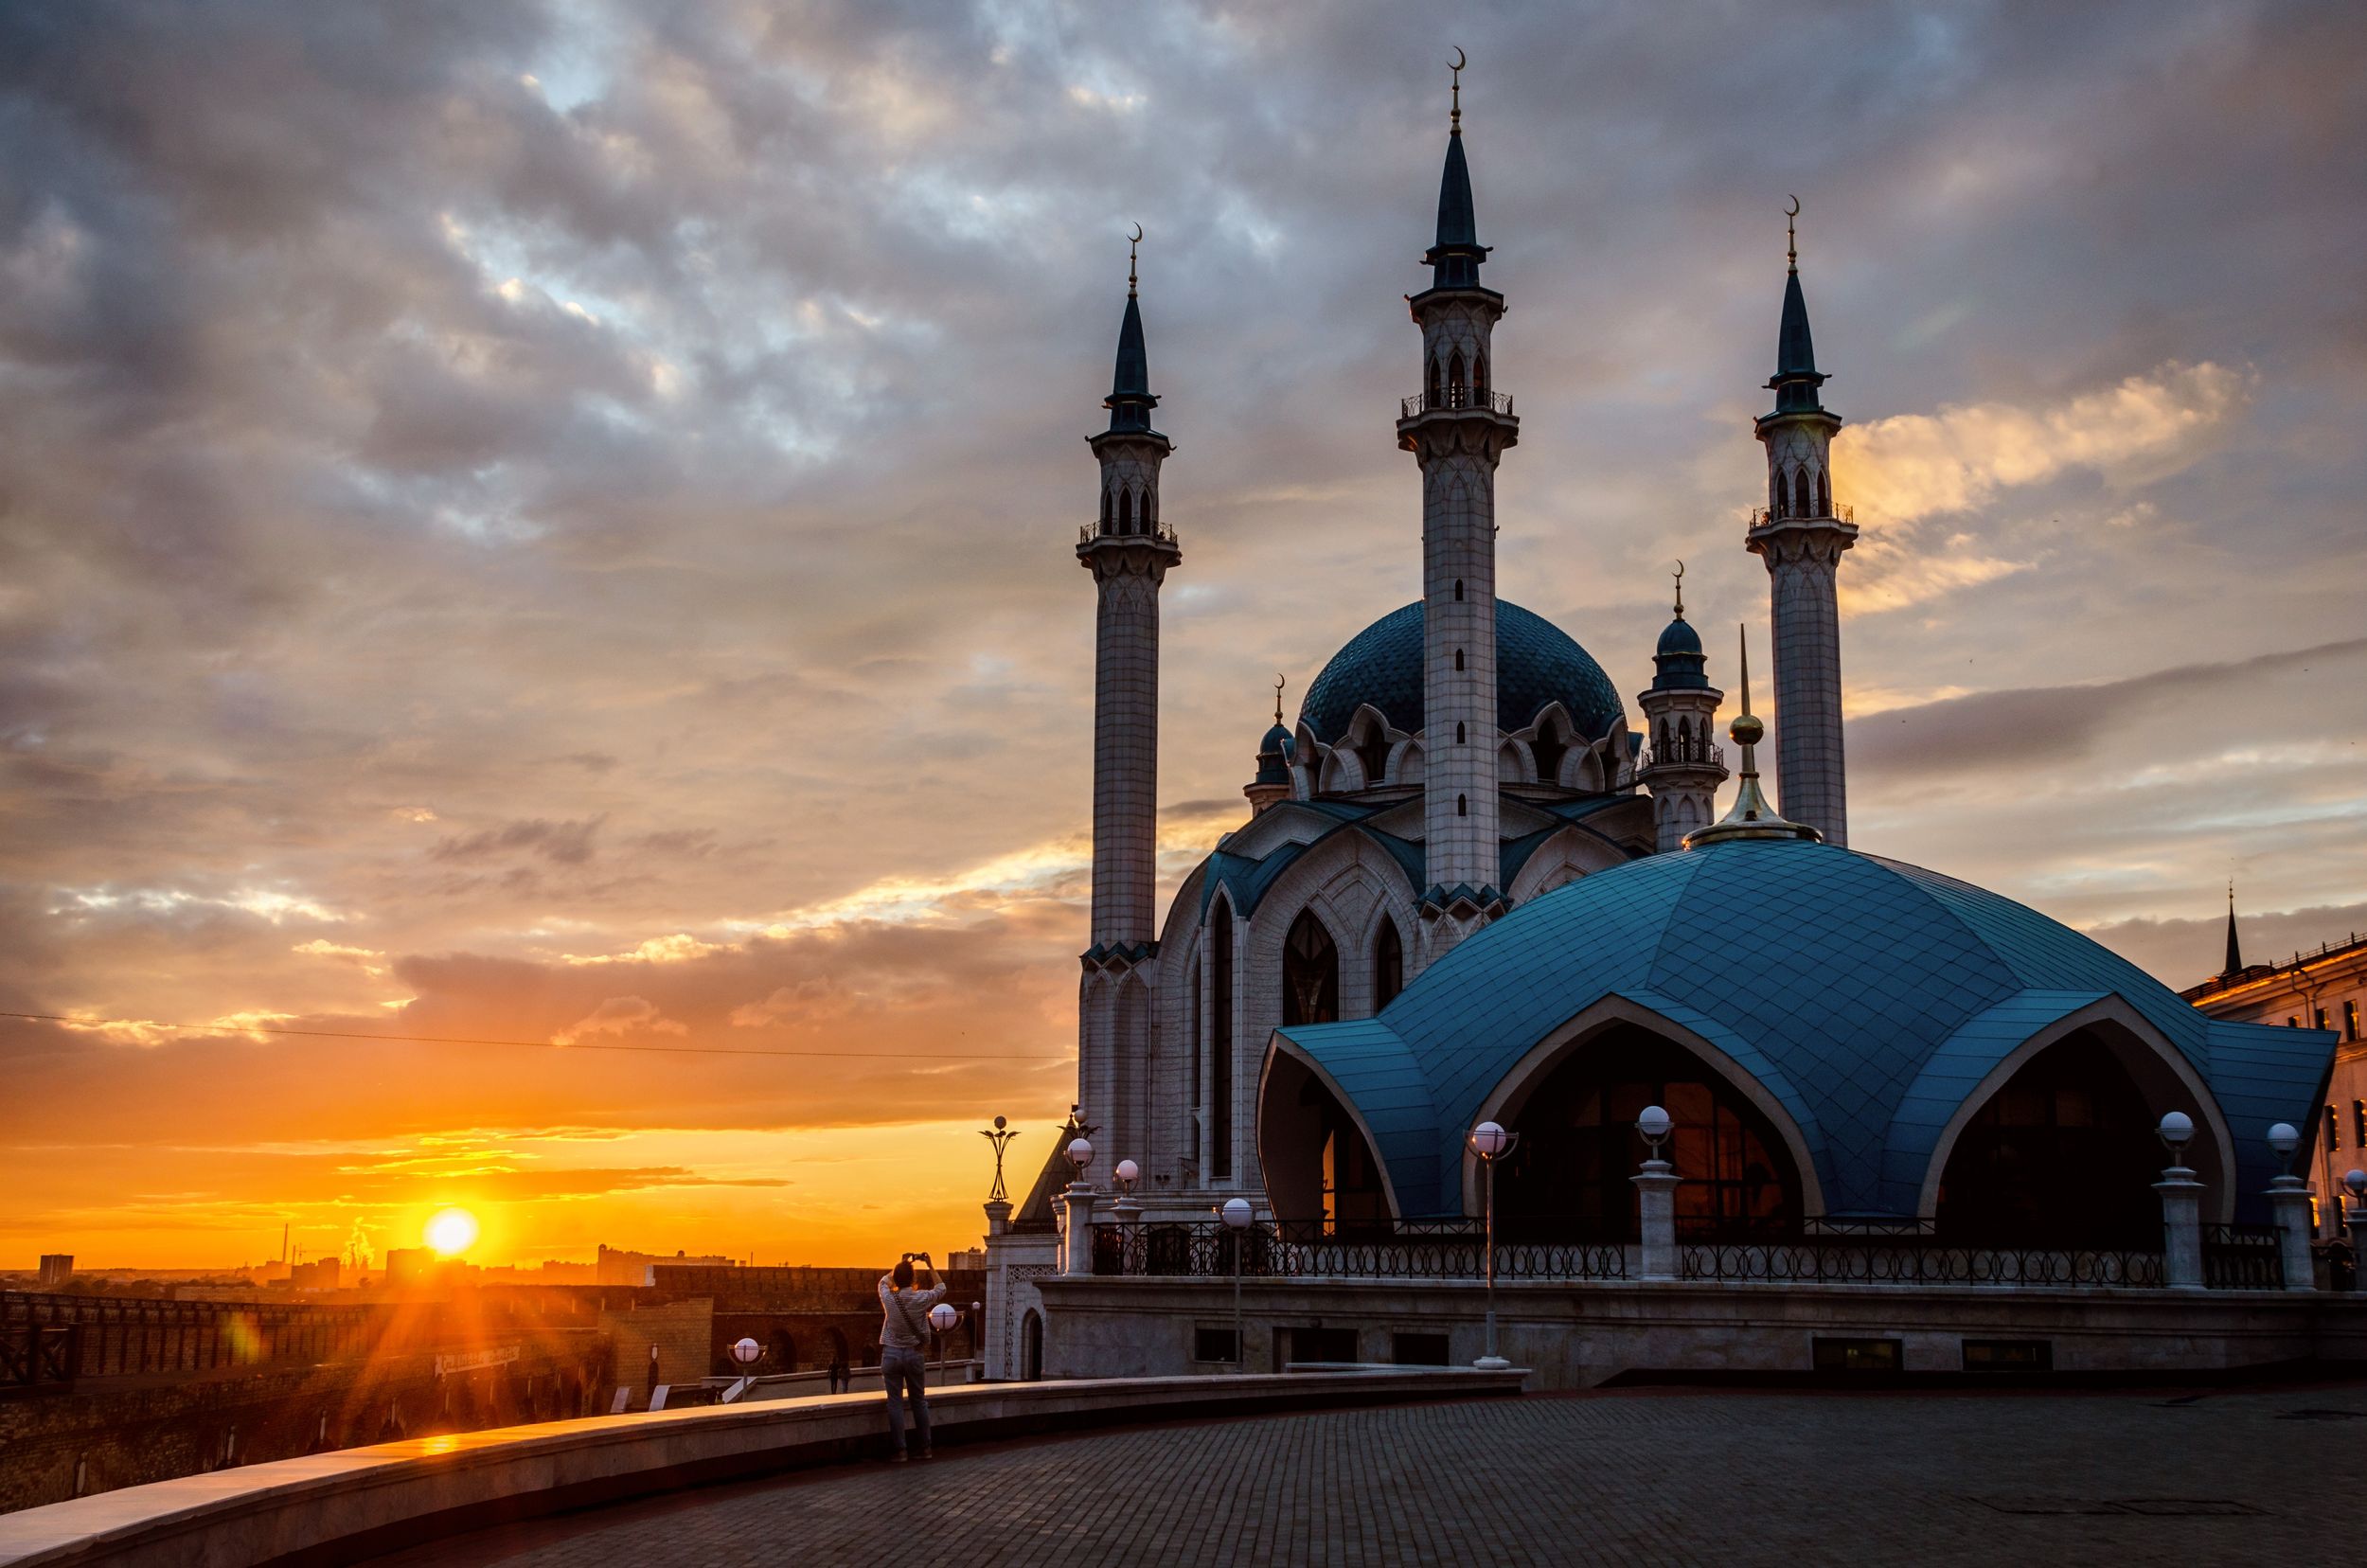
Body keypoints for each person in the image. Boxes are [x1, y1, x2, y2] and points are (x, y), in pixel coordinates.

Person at [879, 1251, 949, 1461]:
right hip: (914, 1355)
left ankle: (900, 1451)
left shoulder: (889, 1298)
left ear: (896, 1278)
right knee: (919, 1401)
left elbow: (883, 1281)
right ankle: (926, 1449)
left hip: (891, 1354)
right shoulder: (921, 1298)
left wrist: (901, 1263)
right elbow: (941, 1288)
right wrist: (929, 1265)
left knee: (895, 1402)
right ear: (913, 1279)